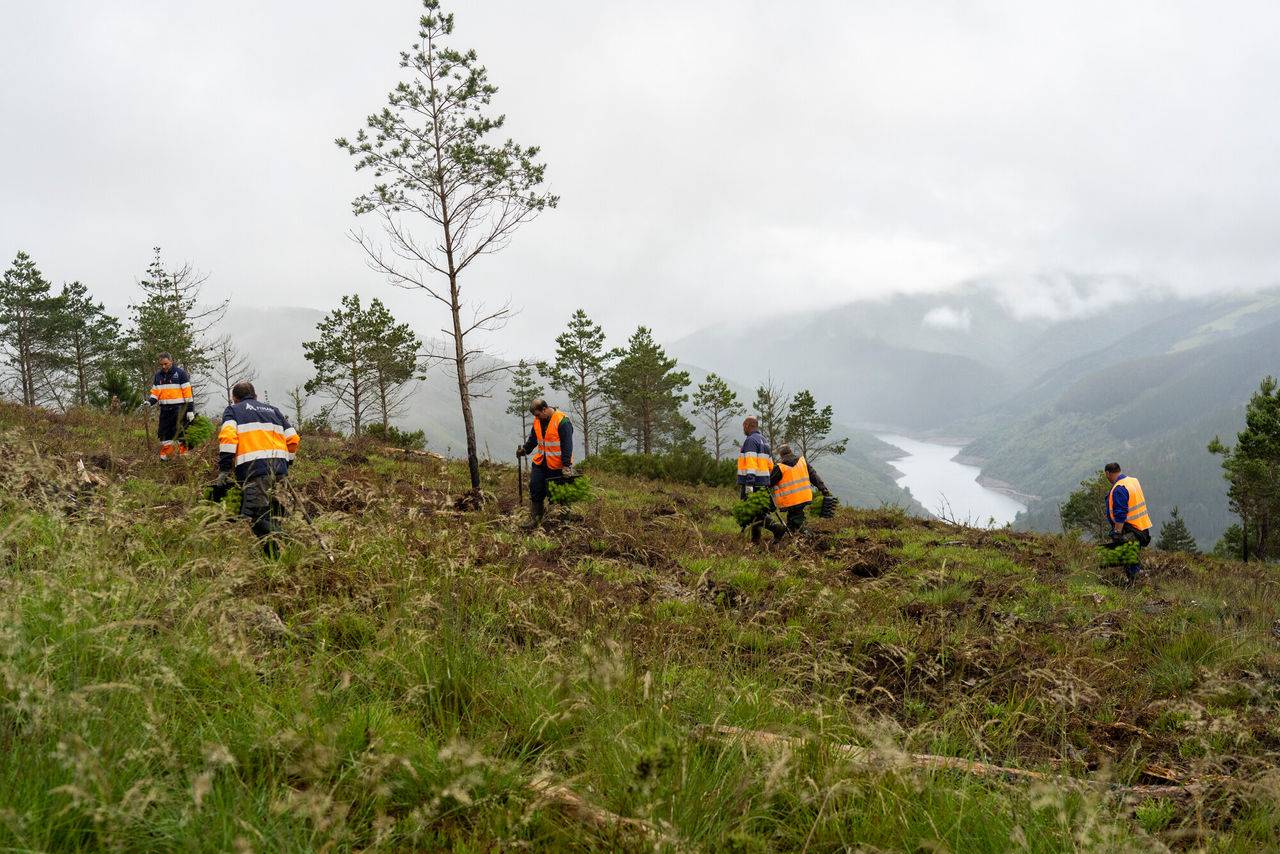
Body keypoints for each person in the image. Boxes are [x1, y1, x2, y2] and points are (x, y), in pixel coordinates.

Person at [214, 381, 299, 557]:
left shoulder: (233, 411)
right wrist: (287, 462)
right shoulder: (273, 410)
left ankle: (286, 542)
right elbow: (293, 439)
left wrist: (224, 470)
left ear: (234, 399)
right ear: (256, 396)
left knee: (256, 516)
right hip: (279, 470)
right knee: (273, 512)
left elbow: (228, 439)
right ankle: (275, 559)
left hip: (254, 471)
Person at [516, 399, 574, 528]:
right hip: (541, 462)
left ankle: (566, 522)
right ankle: (535, 520)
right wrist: (525, 450)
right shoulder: (538, 421)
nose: (536, 418)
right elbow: (533, 439)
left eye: (537, 414)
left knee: (560, 494)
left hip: (558, 465)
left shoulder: (562, 421)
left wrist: (566, 465)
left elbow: (567, 446)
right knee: (535, 488)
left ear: (544, 409)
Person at [737, 416, 785, 543]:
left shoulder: (750, 440)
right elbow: (770, 465)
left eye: (743, 426)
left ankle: (777, 529)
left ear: (747, 425)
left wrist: (749, 484)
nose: (743, 429)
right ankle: (755, 540)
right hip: (763, 483)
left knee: (752, 512)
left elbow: (751, 464)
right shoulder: (764, 441)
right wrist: (766, 481)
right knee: (757, 510)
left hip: (753, 483)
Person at [769, 444, 834, 534]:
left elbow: (768, 483)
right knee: (793, 519)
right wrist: (823, 489)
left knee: (797, 520)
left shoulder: (780, 468)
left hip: (790, 501)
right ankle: (791, 535)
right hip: (804, 497)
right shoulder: (802, 462)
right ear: (790, 451)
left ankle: (809, 536)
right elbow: (813, 476)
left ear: (781, 455)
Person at [1104, 462, 1152, 583]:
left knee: (1125, 554)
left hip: (1130, 528)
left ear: (1108, 473)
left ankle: (1135, 580)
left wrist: (1117, 532)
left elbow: (1120, 513)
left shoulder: (1119, 488)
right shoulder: (1132, 481)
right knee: (1128, 555)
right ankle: (1131, 579)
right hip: (1142, 526)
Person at [145, 353, 195, 460]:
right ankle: (165, 459)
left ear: (171, 362)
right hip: (165, 411)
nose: (163, 366)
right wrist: (149, 402)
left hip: (179, 410)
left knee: (181, 435)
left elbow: (188, 394)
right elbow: (155, 394)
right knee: (165, 436)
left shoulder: (181, 374)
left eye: (166, 364)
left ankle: (184, 459)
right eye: (161, 364)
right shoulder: (158, 376)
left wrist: (190, 410)